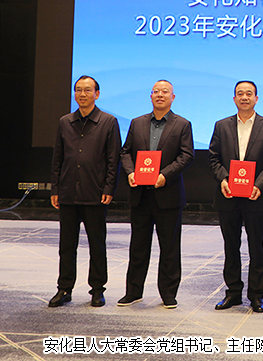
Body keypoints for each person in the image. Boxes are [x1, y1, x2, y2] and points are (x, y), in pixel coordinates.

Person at [117, 80, 194, 309]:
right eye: (156, 91)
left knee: (169, 247)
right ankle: (133, 292)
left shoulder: (182, 124)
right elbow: (125, 152)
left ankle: (168, 294)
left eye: (165, 92)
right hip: (140, 195)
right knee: (138, 246)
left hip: (168, 194)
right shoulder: (137, 122)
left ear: (173, 97)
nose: (160, 95)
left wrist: (165, 176)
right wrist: (130, 172)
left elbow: (186, 156)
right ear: (151, 96)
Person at [208, 81, 263, 313]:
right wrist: (223, 179)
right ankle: (233, 293)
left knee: (256, 247)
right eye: (240, 94)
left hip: (255, 196)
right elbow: (213, 158)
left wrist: (259, 185)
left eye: (249, 94)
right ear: (234, 99)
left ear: (256, 98)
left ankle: (256, 296)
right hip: (228, 195)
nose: (244, 97)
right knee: (231, 246)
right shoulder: (221, 125)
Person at [49, 75, 121, 308]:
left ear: (96, 94)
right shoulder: (65, 122)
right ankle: (64, 288)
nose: (82, 94)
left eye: (87, 90)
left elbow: (113, 159)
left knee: (97, 245)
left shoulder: (108, 122)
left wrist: (109, 187)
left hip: (95, 192)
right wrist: (55, 188)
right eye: (78, 90)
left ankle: (97, 290)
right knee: (66, 246)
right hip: (68, 192)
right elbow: (58, 158)